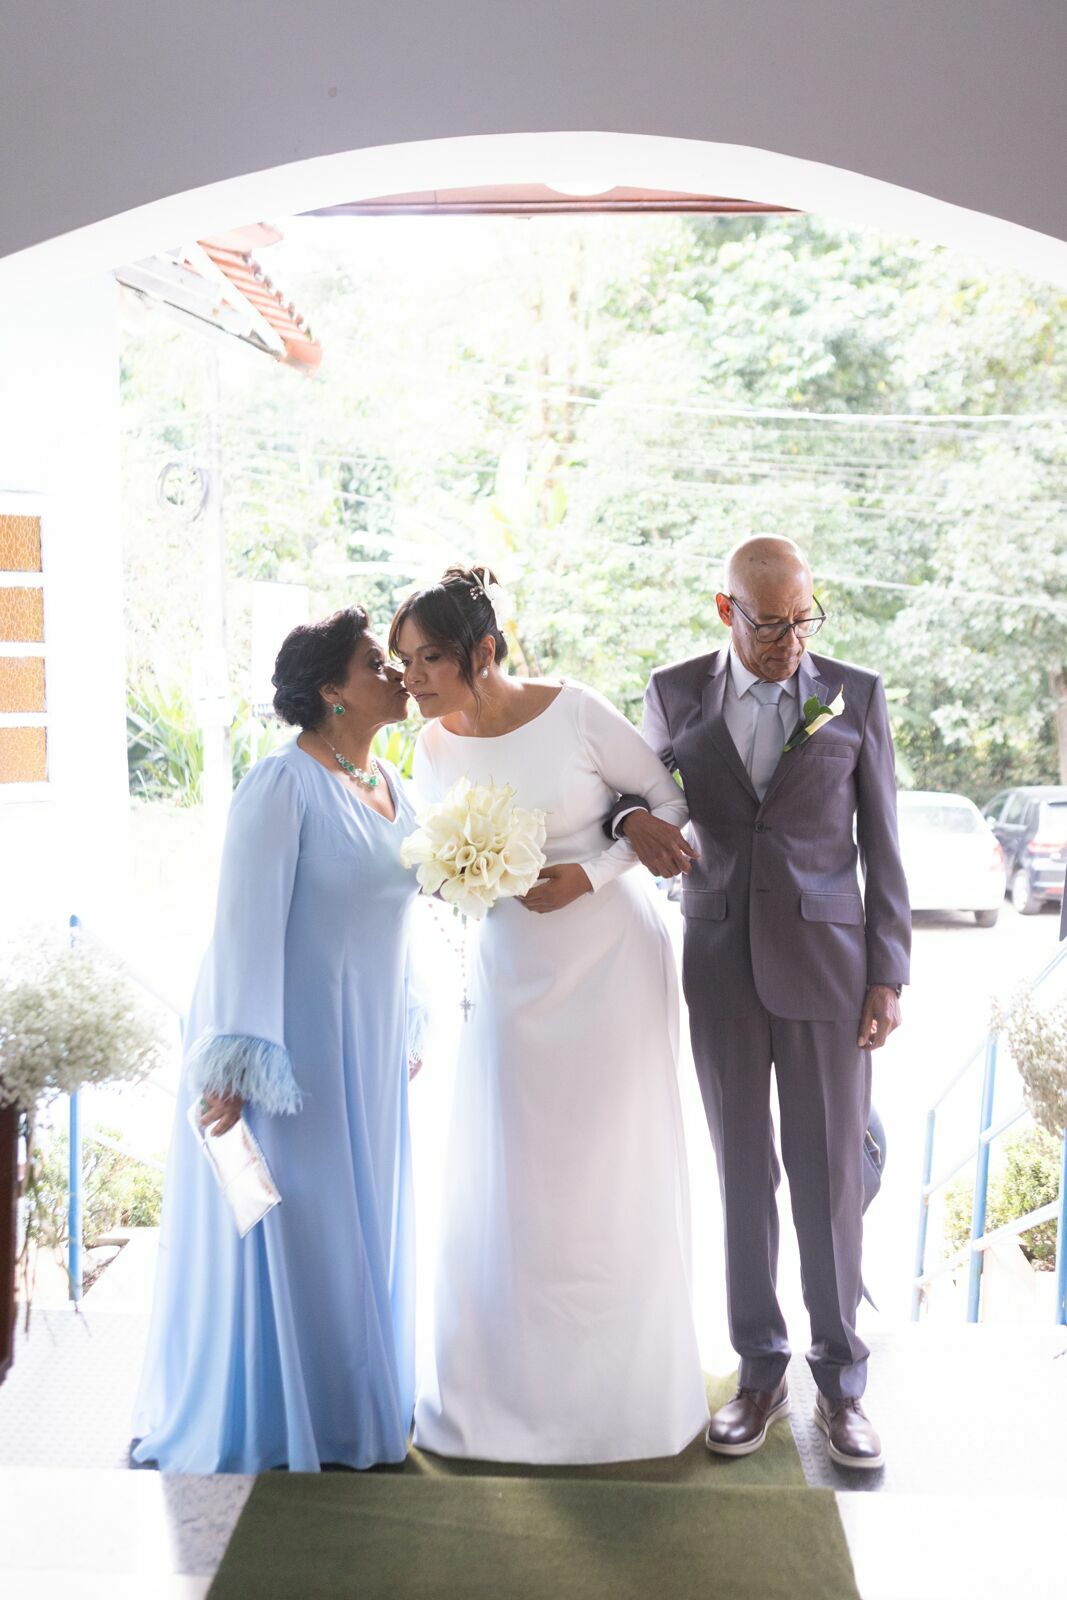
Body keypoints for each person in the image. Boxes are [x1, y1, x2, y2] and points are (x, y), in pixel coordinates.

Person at [391, 565, 708, 1464]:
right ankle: (506, 1399)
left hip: (610, 963)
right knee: (517, 1176)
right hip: (511, 973)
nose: (411, 680)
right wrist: (458, 877)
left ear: (484, 652)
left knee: (608, 1172)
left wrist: (597, 866)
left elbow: (671, 806)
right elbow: (430, 859)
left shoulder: (573, 711)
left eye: (429, 660)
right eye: (403, 661)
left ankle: (623, 1401)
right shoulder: (433, 747)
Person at [610, 536, 910, 1471]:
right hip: (721, 965)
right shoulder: (674, 691)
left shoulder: (852, 694)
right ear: (724, 610)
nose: (788, 641)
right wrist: (628, 820)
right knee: (744, 1175)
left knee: (827, 1183)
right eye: (768, 622)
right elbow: (625, 797)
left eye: (801, 620)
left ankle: (843, 1382)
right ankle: (759, 1370)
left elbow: (883, 843)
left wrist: (888, 973)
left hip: (829, 966)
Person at [131, 607, 422, 1472]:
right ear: (332, 690)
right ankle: (291, 1414)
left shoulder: (396, 784)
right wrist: (237, 1065)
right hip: (289, 1048)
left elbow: (387, 920)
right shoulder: (280, 785)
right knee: (304, 1226)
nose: (398, 673)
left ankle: (352, 1402)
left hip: (365, 1044)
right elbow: (243, 929)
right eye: (377, 662)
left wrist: (404, 1018)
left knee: (362, 1223)